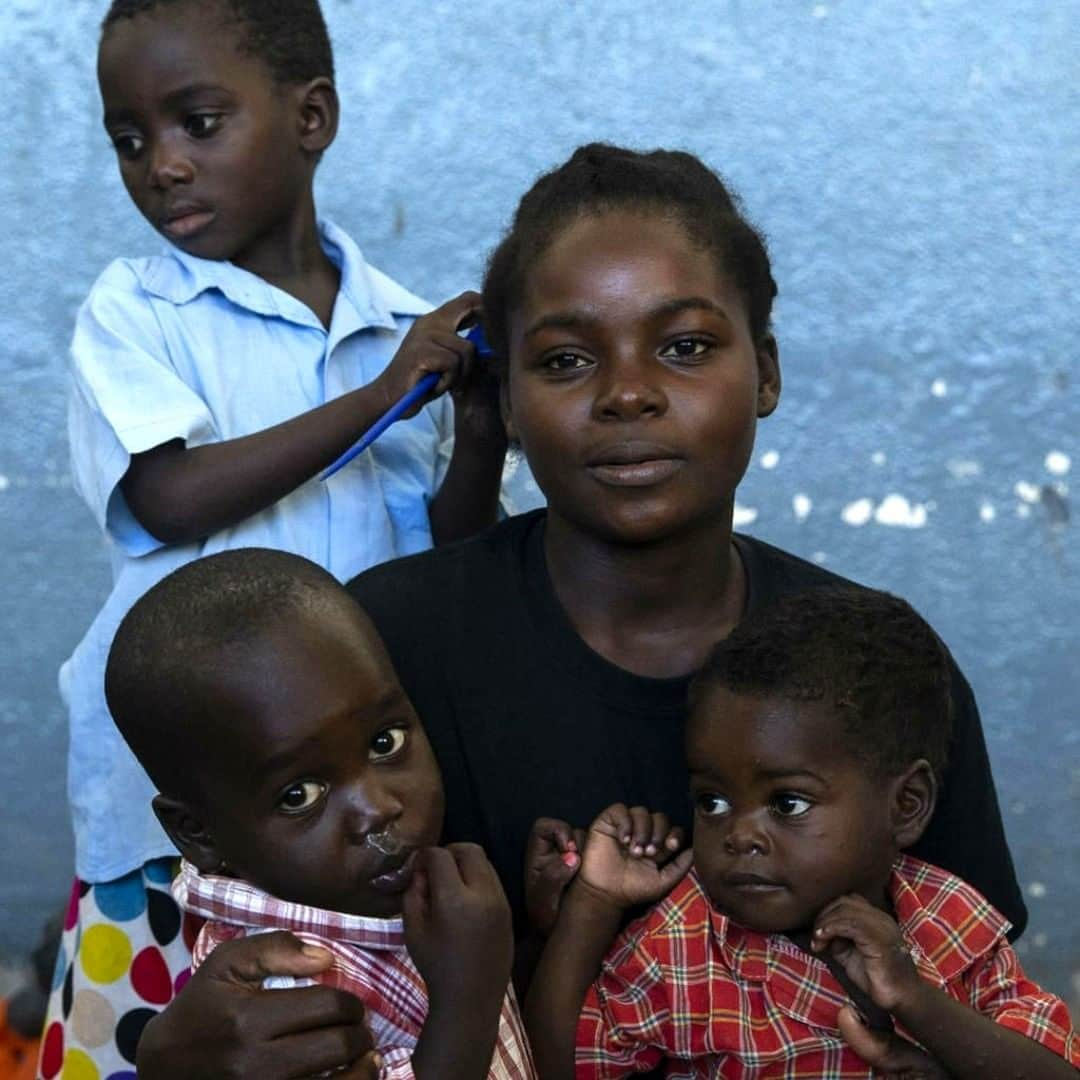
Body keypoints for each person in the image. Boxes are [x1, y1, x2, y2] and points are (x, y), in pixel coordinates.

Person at [134, 144, 1029, 1076]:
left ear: (764, 371)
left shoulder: (870, 666)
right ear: (510, 402)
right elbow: (250, 955)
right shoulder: (383, 653)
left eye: (684, 347)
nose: (629, 393)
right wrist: (180, 1052)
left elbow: (985, 992)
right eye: (565, 360)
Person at [47, 0, 508, 1074]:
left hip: (344, 815)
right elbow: (168, 495)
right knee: (145, 1049)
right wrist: (389, 394)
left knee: (360, 1046)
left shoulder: (400, 325)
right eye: (130, 138)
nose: (161, 165)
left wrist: (475, 434)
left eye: (197, 123)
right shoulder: (138, 313)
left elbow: (440, 556)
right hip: (175, 822)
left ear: (312, 117)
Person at [524, 586, 1078, 1077]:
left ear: (907, 806)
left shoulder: (947, 919)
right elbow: (562, 1065)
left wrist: (914, 999)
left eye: (787, 803)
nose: (740, 835)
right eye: (711, 801)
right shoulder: (687, 942)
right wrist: (592, 902)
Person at [104, 547, 534, 1079]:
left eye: (386, 741)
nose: (378, 808)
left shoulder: (388, 901)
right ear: (198, 833)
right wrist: (469, 996)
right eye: (299, 796)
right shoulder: (285, 996)